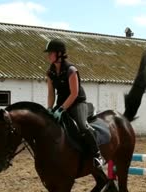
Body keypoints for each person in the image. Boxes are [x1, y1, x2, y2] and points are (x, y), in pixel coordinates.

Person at [44, 38, 103, 169]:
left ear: (59, 53)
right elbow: (51, 93)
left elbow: (74, 93)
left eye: (51, 52)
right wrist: (49, 109)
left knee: (82, 126)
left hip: (77, 103)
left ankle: (97, 155)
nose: (48, 55)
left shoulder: (71, 70)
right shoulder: (50, 72)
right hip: (61, 104)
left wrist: (61, 109)